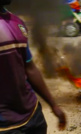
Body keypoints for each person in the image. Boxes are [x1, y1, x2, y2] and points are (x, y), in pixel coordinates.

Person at [0, 0, 66, 133]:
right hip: (5, 126)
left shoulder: (16, 22)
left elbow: (29, 68)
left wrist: (54, 105)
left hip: (33, 116)